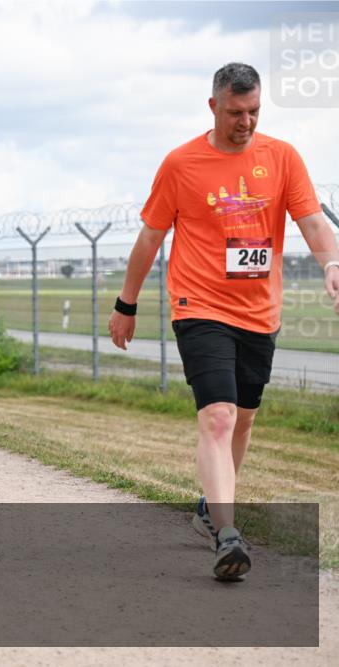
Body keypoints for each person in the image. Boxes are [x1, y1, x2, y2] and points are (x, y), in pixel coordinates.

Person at [109, 63, 339, 581]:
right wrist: (127, 305)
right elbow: (150, 238)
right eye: (236, 112)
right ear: (213, 106)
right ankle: (227, 534)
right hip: (200, 306)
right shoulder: (181, 163)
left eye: (255, 111)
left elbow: (312, 222)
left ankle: (208, 509)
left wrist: (332, 263)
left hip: (260, 311)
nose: (247, 121)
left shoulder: (281, 158)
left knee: (245, 418)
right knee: (218, 417)